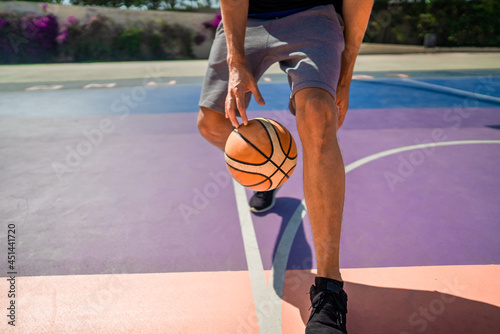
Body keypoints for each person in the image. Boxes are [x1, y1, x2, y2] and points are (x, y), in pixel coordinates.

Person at [197, 0, 373, 332]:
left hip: (313, 14)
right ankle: (269, 176)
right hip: (246, 18)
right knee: (212, 123)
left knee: (319, 116)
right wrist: (235, 61)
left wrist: (346, 72)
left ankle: (329, 290)